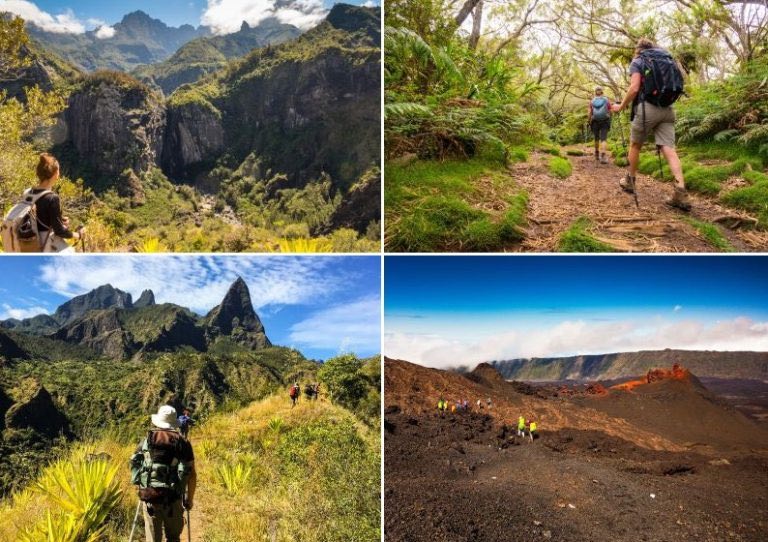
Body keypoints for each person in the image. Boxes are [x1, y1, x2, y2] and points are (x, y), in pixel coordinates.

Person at [612, 38, 691, 211]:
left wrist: (621, 106)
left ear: (638, 49)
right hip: (668, 108)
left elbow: (634, 88)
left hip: (647, 108)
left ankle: (630, 181)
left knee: (635, 145)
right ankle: (680, 192)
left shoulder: (639, 61)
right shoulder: (666, 59)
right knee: (669, 149)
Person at [130, 405, 197, 542]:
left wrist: (140, 485)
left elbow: (135, 463)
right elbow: (191, 474)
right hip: (173, 499)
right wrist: (189, 500)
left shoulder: (147, 440)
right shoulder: (183, 443)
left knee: (153, 539)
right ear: (174, 422)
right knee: (173, 537)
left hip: (150, 497)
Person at [29, 154, 85, 251]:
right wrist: (78, 235)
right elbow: (60, 231)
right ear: (55, 174)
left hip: (30, 242)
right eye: (58, 170)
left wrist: (59, 219)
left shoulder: (28, 193)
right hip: (44, 245)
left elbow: (38, 217)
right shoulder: (52, 198)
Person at [588, 86, 611, 164]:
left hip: (595, 121)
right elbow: (610, 110)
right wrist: (609, 116)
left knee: (596, 138)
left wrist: (589, 121)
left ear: (595, 92)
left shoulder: (592, 101)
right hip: (605, 120)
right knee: (603, 138)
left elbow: (590, 112)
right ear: (602, 92)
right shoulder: (606, 100)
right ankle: (603, 156)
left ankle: (597, 153)